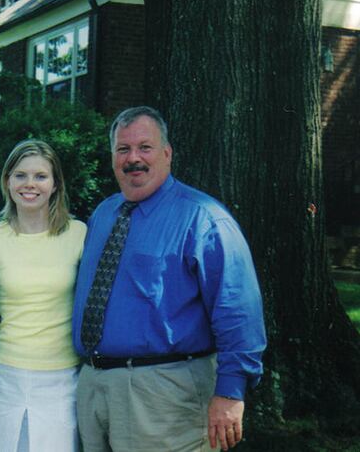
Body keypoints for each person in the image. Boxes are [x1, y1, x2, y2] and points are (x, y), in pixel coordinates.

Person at [72, 106, 267, 452]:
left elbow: (238, 310)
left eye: (144, 147)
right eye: (123, 149)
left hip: (164, 393)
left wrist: (230, 392)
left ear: (167, 153)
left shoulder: (204, 219)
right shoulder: (104, 214)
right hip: (94, 387)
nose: (133, 158)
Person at [0, 140, 87, 452]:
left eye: (40, 176)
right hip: (6, 375)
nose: (30, 184)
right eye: (20, 175)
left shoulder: (78, 234)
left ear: (55, 184)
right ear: (7, 181)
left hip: (63, 379)